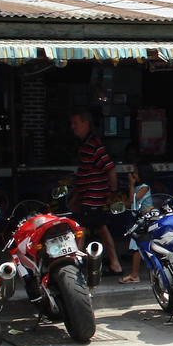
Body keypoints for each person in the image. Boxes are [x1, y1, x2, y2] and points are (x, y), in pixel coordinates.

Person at [70, 110, 123, 275]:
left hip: (94, 197)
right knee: (96, 229)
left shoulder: (94, 145)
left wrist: (112, 192)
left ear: (86, 123)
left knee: (83, 229)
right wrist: (78, 195)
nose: (73, 127)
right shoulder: (84, 145)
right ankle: (114, 264)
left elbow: (110, 168)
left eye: (75, 123)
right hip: (88, 196)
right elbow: (85, 173)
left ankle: (77, 264)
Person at [120, 160, 153, 285]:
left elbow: (132, 199)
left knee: (137, 246)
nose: (134, 175)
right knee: (138, 246)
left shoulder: (144, 187)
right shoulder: (141, 187)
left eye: (136, 173)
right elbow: (129, 203)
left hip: (146, 219)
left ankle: (134, 274)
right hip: (140, 219)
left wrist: (131, 185)